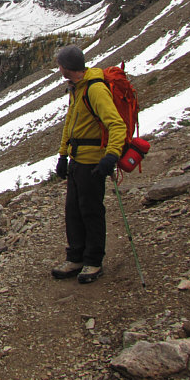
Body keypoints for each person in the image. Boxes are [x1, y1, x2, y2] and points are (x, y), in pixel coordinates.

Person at [52, 45, 126, 284]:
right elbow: (70, 124)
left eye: (60, 64)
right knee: (73, 211)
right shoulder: (77, 88)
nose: (58, 68)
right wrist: (63, 155)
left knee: (91, 211)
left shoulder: (94, 89)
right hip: (77, 159)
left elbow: (117, 124)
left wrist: (111, 156)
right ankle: (76, 257)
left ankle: (93, 261)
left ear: (67, 67)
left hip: (92, 162)